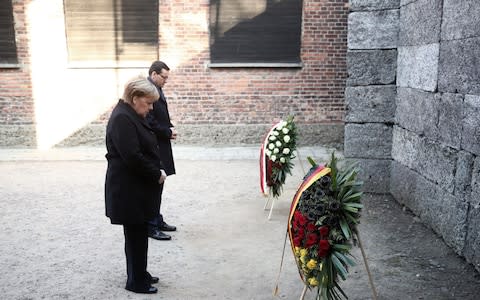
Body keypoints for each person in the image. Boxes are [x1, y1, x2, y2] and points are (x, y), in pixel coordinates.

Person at [104, 75, 166, 294]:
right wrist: (156, 173)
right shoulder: (122, 117)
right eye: (148, 103)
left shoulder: (129, 113)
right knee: (135, 236)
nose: (150, 108)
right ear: (135, 97)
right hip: (128, 189)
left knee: (139, 234)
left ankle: (141, 273)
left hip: (135, 187)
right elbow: (132, 156)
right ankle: (136, 281)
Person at [145, 61, 177, 240]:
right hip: (154, 144)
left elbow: (160, 115)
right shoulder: (148, 90)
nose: (166, 81)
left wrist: (170, 128)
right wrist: (166, 131)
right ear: (154, 74)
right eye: (164, 77)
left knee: (160, 184)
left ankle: (157, 219)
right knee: (154, 185)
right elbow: (149, 119)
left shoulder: (156, 87)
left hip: (160, 142)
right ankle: (151, 225)